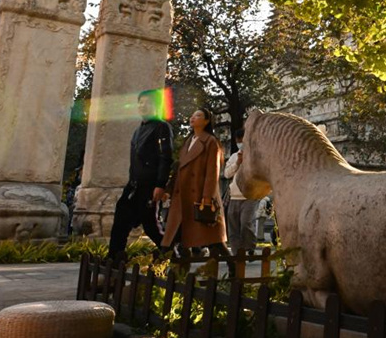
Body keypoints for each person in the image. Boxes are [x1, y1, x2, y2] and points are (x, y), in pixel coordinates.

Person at [107, 90, 173, 262]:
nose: (143, 105)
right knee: (121, 219)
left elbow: (165, 158)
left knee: (150, 225)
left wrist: (160, 184)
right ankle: (114, 258)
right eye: (140, 102)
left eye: (148, 102)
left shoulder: (161, 127)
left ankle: (173, 254)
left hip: (150, 185)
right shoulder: (138, 130)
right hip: (134, 185)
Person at [161, 108, 229, 257]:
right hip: (182, 197)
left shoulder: (210, 142)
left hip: (199, 196)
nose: (193, 118)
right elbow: (179, 169)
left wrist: (207, 197)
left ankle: (233, 268)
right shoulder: (188, 142)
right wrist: (169, 190)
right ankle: (174, 272)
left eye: (198, 116)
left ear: (206, 121)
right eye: (192, 115)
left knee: (213, 240)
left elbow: (212, 171)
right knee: (175, 238)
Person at [224, 129, 270, 253]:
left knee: (246, 223)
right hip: (234, 196)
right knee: (233, 227)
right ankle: (236, 251)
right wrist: (237, 163)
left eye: (242, 140)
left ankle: (249, 247)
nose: (240, 143)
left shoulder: (256, 156)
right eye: (238, 141)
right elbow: (227, 174)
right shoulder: (234, 157)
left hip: (249, 196)